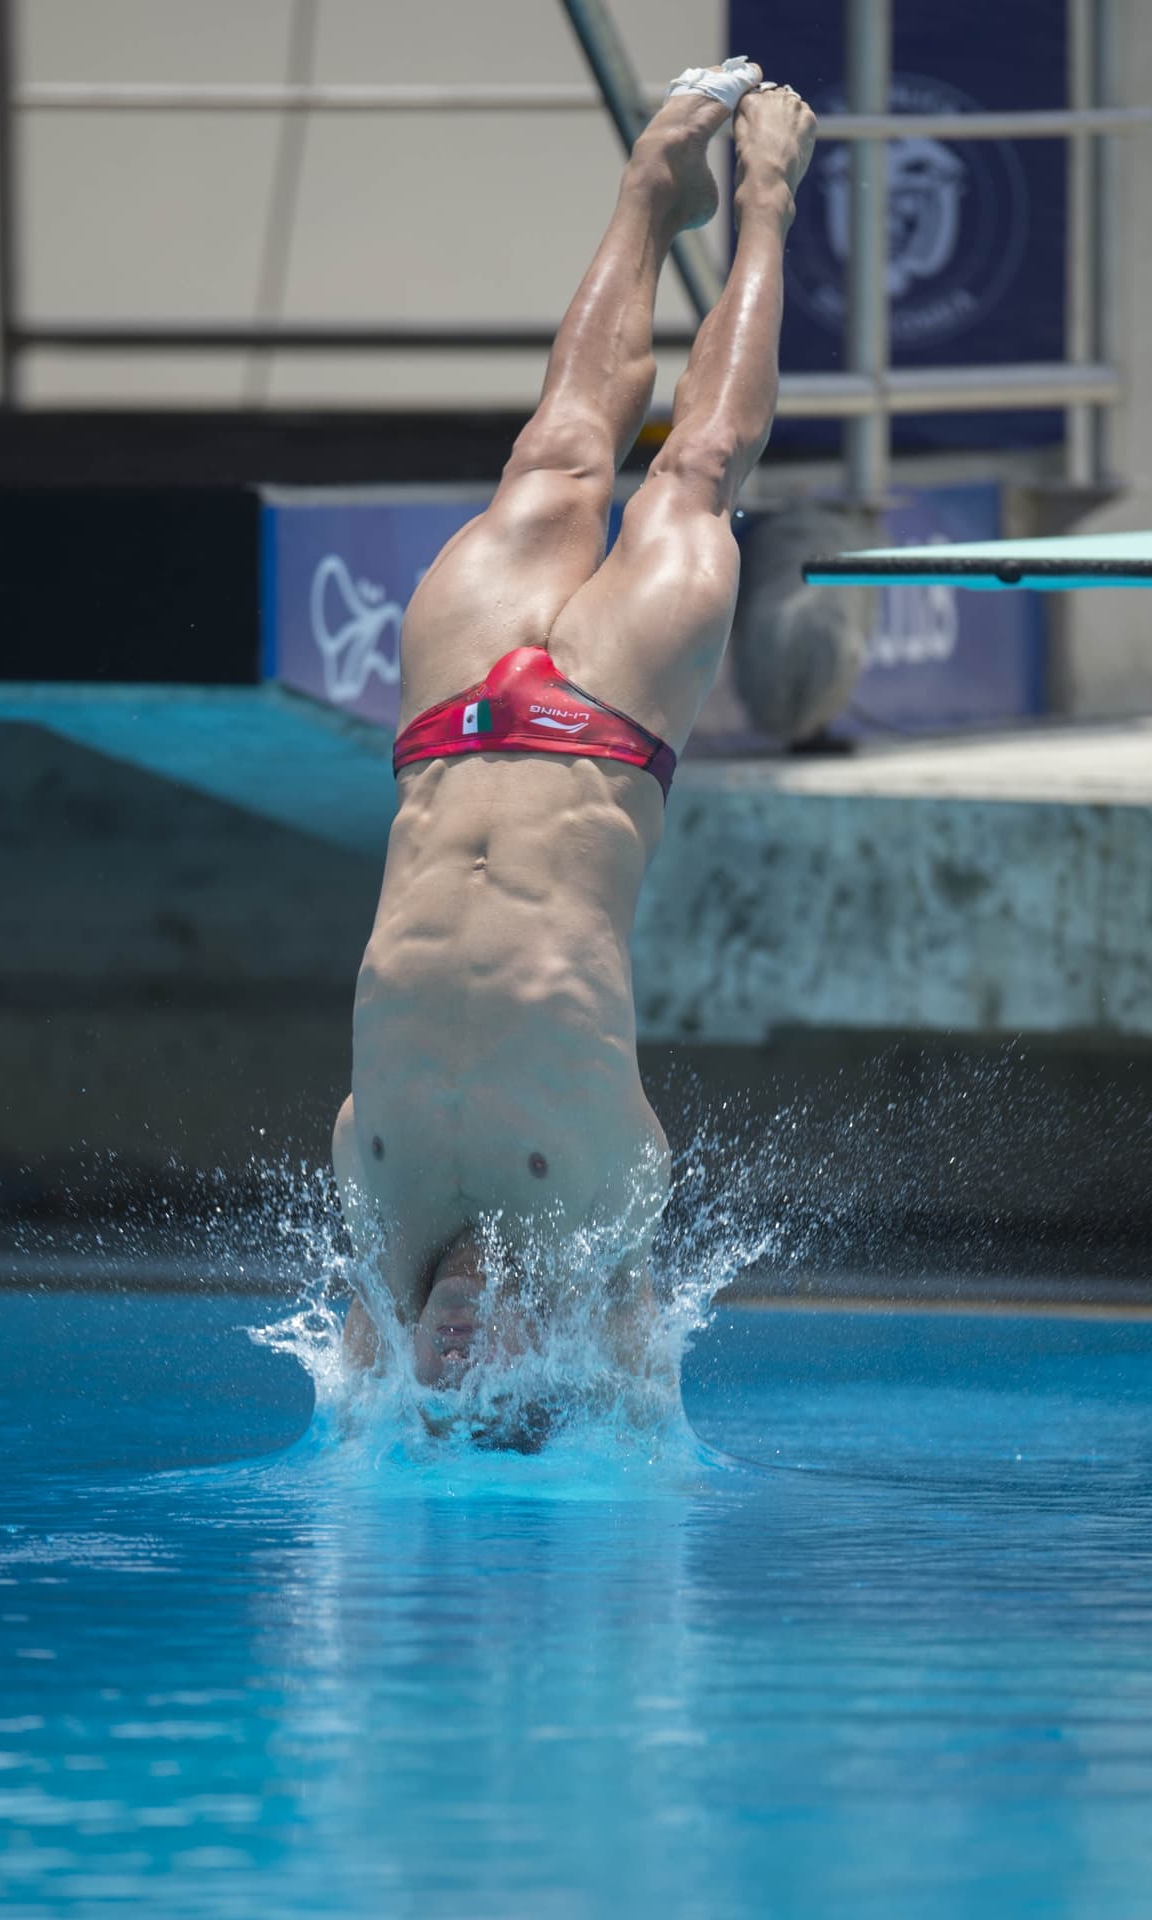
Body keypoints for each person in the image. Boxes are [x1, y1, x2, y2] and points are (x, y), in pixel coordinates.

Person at [332, 59, 817, 1396]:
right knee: (697, 472)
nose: (459, 1353)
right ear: (545, 1358)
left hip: (449, 725)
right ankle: (765, 200)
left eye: (442, 1382)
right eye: (489, 1380)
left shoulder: (376, 1230)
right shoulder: (602, 1230)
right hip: (606, 730)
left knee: (556, 452)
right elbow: (648, 1412)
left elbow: (352, 1424)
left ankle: (647, 190)